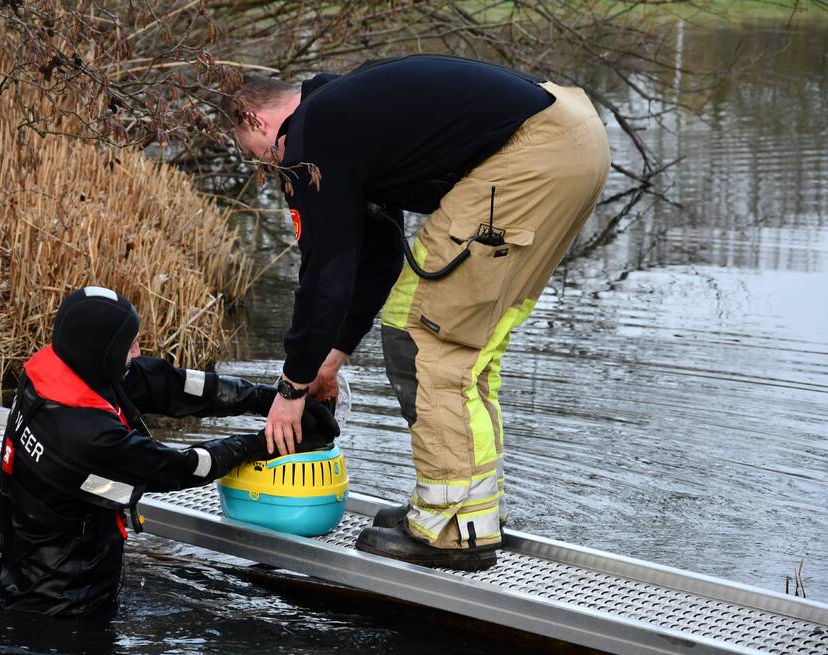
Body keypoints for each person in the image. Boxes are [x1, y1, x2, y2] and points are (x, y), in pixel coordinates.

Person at [223, 55, 610, 570]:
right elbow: (378, 258)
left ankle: (448, 531)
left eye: (260, 157)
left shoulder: (313, 136)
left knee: (426, 339)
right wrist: (329, 360)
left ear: (256, 120)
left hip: (534, 153)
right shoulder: (344, 116)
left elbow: (324, 276)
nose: (270, 170)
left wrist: (291, 390)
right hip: (574, 137)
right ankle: (472, 514)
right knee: (466, 346)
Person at [0, 286, 338, 617]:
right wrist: (263, 444)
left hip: (29, 576)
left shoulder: (57, 371)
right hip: (60, 607)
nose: (137, 352)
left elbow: (170, 384)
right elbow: (181, 467)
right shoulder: (85, 437)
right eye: (129, 346)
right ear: (101, 353)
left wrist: (272, 400)